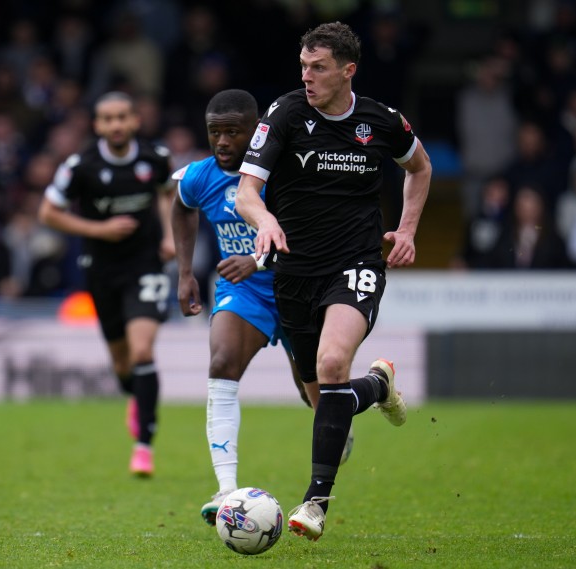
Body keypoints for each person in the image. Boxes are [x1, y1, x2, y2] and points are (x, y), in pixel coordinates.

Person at [235, 22, 432, 541]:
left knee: (330, 364)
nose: (306, 76)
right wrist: (266, 220)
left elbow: (420, 167)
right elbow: (246, 193)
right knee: (319, 395)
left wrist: (407, 229)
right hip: (294, 272)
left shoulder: (381, 121)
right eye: (303, 66)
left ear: (348, 71)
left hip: (357, 263)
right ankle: (379, 385)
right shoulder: (285, 113)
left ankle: (315, 502)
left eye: (318, 68)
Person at [170, 88, 353, 526]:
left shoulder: (287, 171)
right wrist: (183, 272)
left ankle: (345, 413)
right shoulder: (200, 175)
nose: (223, 141)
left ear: (257, 133)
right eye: (216, 132)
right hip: (245, 292)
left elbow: (307, 234)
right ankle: (226, 488)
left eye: (234, 132)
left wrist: (257, 258)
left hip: (300, 285)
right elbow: (180, 207)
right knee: (221, 360)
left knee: (313, 390)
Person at [38, 91, 173, 477]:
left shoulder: (156, 158)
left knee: (143, 350)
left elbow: (167, 196)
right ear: (97, 125)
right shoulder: (80, 166)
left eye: (122, 117)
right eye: (107, 119)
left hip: (145, 264)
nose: (116, 125)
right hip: (101, 268)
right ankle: (137, 399)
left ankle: (143, 446)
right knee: (122, 363)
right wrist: (99, 229)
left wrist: (168, 237)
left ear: (134, 121)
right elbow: (48, 212)